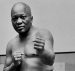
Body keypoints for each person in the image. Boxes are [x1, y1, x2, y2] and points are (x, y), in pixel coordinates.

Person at [3, 2, 55, 71]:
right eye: (15, 18)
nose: (18, 21)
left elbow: (50, 61)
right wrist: (14, 65)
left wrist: (43, 52)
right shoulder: (11, 44)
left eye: (22, 17)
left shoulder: (42, 34)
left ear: (31, 18)